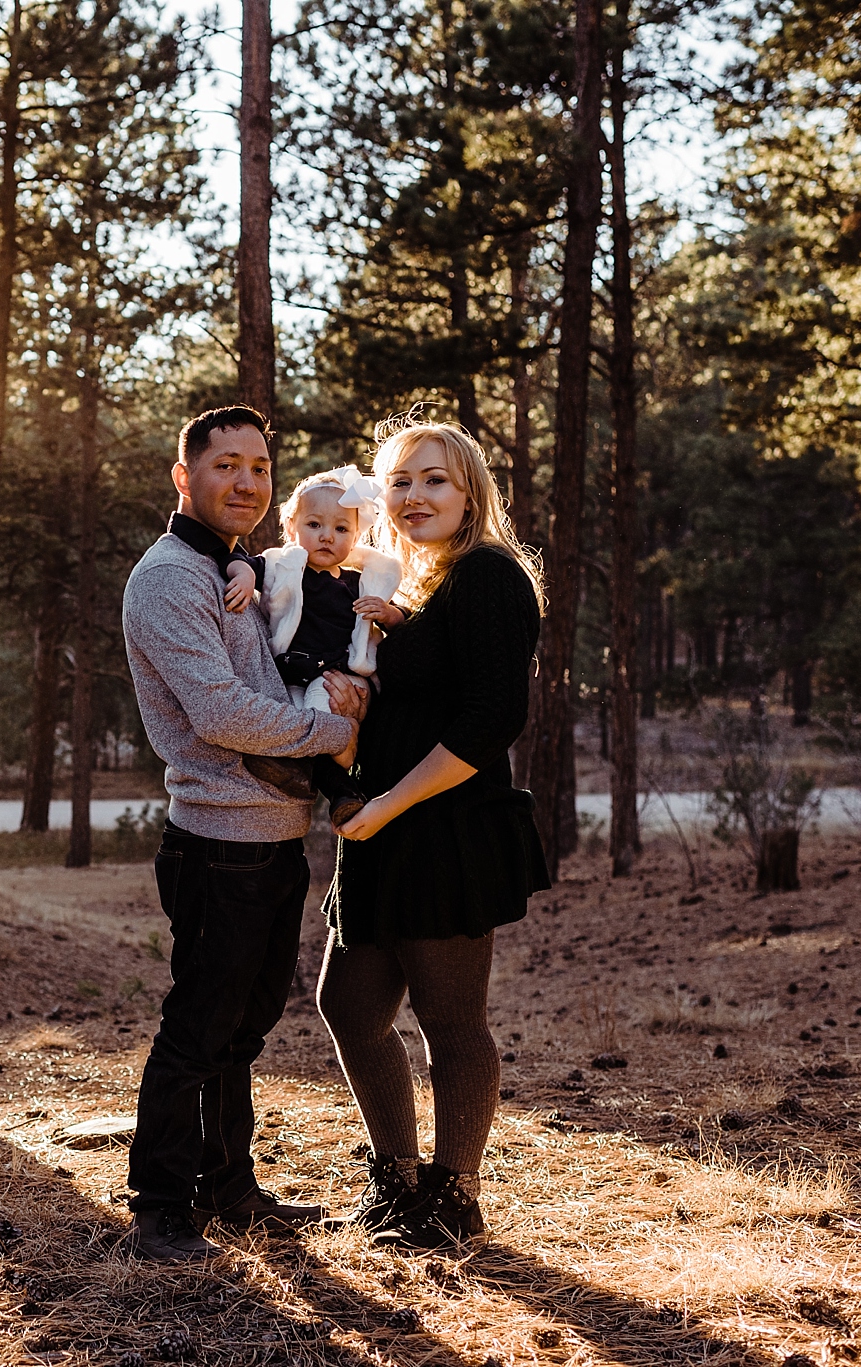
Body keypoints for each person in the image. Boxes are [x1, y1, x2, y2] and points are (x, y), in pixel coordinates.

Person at [118, 405, 368, 1263]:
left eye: (260, 467)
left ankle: (228, 1187)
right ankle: (160, 1209)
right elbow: (221, 711)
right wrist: (338, 736)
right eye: (227, 464)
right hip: (218, 840)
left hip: (273, 836)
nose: (247, 481)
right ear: (185, 477)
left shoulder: (233, 566)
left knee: (245, 1024)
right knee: (198, 1026)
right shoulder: (167, 580)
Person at [316, 417, 549, 1250]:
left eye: (435, 480)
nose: (415, 496)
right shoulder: (410, 586)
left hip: (444, 828)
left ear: (471, 491)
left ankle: (455, 1197)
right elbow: (413, 698)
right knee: (348, 1004)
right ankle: (396, 1181)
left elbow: (492, 720)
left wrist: (388, 805)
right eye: (402, 482)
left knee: (452, 1021)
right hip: (381, 829)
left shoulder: (488, 575)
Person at [224, 472, 402, 828]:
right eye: (314, 524)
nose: (326, 536)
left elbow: (400, 622)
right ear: (292, 528)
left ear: (355, 537)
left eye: (340, 529)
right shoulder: (283, 567)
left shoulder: (357, 583)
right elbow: (241, 561)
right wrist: (243, 577)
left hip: (333, 674)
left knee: (320, 714)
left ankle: (342, 775)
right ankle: (336, 789)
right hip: (290, 670)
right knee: (284, 720)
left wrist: (388, 613)